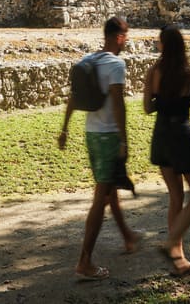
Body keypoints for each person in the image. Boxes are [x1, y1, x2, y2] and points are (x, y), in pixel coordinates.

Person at [58, 15, 141, 281]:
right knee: (100, 198)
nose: (126, 41)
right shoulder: (116, 65)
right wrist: (124, 140)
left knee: (108, 188)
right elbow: (118, 104)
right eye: (126, 37)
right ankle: (85, 261)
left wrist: (65, 129)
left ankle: (128, 237)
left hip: (90, 134)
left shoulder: (90, 60)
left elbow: (73, 98)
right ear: (119, 37)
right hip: (107, 137)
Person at [144, 24, 190, 276]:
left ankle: (178, 259)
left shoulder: (154, 71)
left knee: (176, 197)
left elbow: (148, 107)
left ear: (164, 45)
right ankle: (172, 244)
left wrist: (162, 100)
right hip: (182, 135)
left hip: (161, 136)